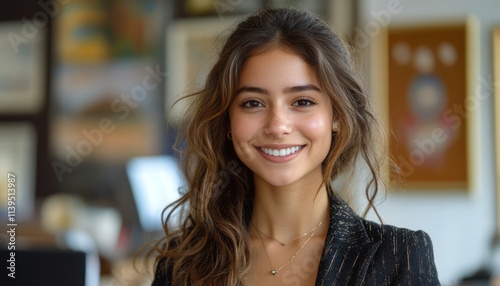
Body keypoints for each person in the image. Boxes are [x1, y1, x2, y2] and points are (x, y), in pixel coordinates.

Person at [152, 7, 440, 286]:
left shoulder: (400, 256)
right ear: (228, 120)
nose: (278, 126)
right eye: (253, 103)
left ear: (337, 115)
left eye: (302, 102)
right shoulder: (181, 264)